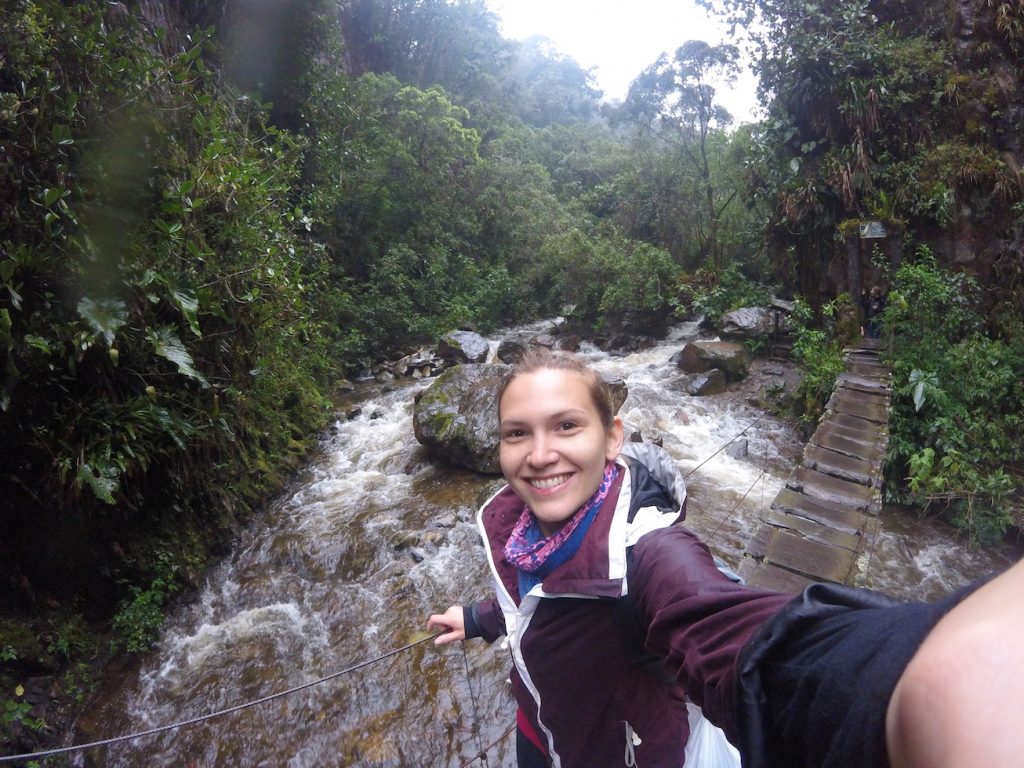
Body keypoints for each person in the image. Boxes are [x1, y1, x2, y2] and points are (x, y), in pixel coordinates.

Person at [428, 349, 1023, 768]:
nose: (539, 455)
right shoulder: (516, 525)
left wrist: (900, 690)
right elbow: (546, 598)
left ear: (612, 438)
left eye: (565, 426)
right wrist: (480, 618)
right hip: (541, 733)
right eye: (516, 434)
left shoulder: (652, 557)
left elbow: (737, 639)